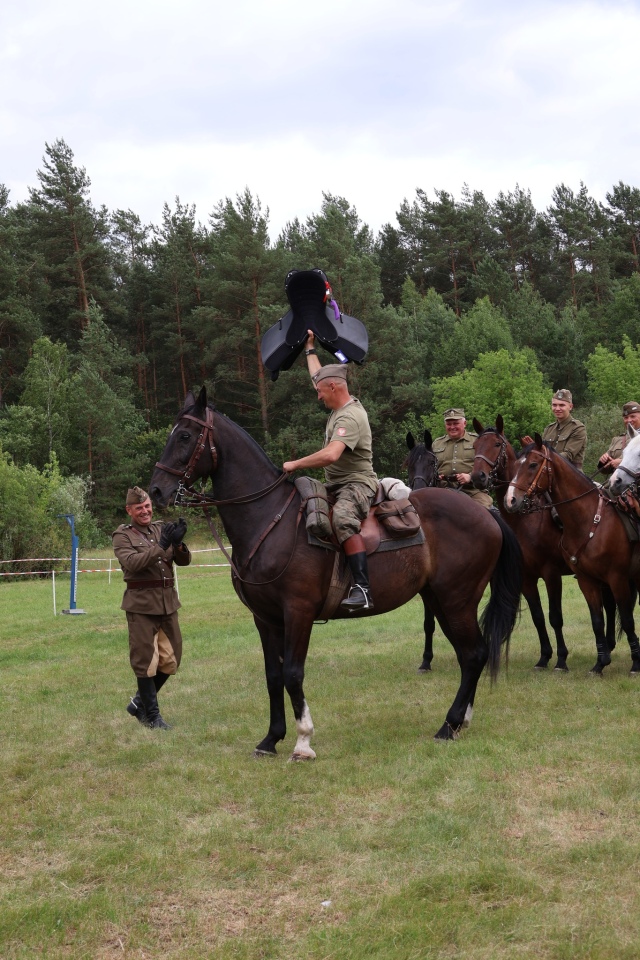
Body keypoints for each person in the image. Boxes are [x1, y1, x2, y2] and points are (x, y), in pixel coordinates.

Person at [282, 331, 378, 611]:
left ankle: (363, 588)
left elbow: (332, 454)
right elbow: (318, 377)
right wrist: (310, 348)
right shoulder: (336, 399)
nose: (318, 396)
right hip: (335, 484)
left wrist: (295, 463)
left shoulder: (351, 416)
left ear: (334, 388)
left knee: (343, 519)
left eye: (321, 391)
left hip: (357, 483)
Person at [112, 486, 191, 729]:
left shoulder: (159, 528)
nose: (145, 511)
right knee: (146, 662)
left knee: (172, 659)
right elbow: (133, 563)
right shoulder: (122, 536)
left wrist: (177, 544)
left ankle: (138, 703)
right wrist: (161, 547)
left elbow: (184, 561)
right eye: (139, 508)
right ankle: (153, 717)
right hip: (142, 605)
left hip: (168, 603)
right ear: (129, 510)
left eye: (147, 506)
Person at [431, 408, 493, 509]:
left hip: (472, 491)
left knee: (482, 512)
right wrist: (436, 476)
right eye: (449, 424)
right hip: (442, 490)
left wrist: (470, 477)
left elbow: (489, 469)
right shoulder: (436, 443)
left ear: (464, 423)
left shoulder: (478, 441)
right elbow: (429, 467)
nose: (452, 427)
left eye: (455, 423)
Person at [535, 389, 587, 470]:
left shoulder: (578, 428)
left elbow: (568, 455)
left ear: (570, 407)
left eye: (562, 405)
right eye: (554, 405)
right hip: (549, 473)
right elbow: (541, 451)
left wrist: (545, 456)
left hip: (571, 475)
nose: (557, 408)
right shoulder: (549, 429)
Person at [598, 401, 640, 474]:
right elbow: (605, 471)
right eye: (626, 417)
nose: (629, 420)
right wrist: (604, 461)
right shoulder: (617, 440)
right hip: (616, 483)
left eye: (633, 416)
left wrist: (622, 463)